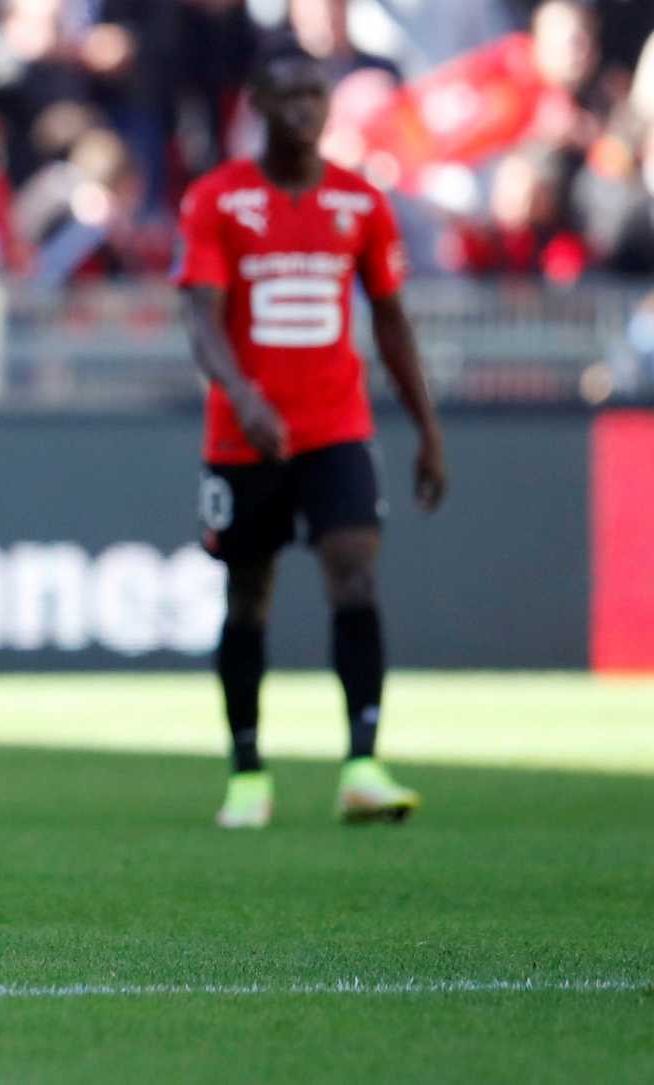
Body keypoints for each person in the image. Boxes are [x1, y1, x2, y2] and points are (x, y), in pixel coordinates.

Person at [175, 48, 448, 831]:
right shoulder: (218, 200)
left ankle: (362, 764)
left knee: (355, 576)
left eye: (315, 95)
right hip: (245, 434)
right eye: (287, 94)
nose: (304, 108)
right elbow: (200, 314)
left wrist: (428, 429)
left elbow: (392, 322)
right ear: (257, 100)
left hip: (337, 425)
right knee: (248, 594)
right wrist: (243, 393)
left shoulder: (361, 202)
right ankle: (247, 772)